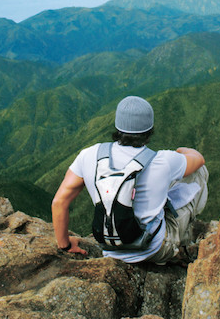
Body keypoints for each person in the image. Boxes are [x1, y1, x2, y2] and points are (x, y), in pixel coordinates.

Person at [52, 95, 208, 264]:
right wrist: (179, 152)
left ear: (118, 127)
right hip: (154, 250)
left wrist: (65, 245)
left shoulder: (89, 155)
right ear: (150, 129)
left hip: (109, 249)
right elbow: (199, 160)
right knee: (198, 173)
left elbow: (59, 203)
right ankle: (182, 241)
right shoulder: (163, 160)